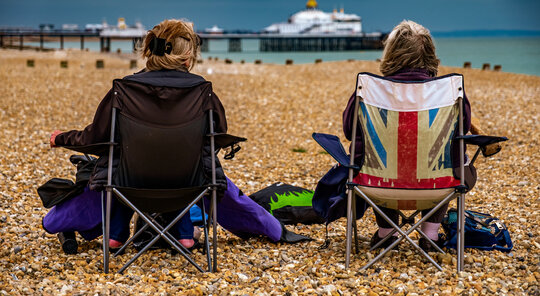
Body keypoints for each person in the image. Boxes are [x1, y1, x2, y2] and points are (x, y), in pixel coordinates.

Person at [43, 19, 307, 255]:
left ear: (149, 51)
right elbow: (217, 134)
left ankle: (115, 235)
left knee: (112, 163)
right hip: (190, 184)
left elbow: (96, 137)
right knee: (204, 174)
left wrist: (61, 138)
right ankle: (184, 236)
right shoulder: (203, 92)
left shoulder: (123, 91)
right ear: (188, 57)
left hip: (127, 185)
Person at [342, 20, 477, 252]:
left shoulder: (368, 91)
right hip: (441, 187)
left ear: (391, 54)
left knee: (376, 159)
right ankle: (431, 235)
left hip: (375, 186)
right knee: (444, 159)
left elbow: (348, 130)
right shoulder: (451, 93)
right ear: (430, 54)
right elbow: (462, 132)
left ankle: (387, 233)